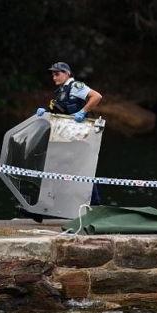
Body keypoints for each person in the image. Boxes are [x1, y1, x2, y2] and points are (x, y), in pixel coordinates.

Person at [36, 61, 103, 205]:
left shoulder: (75, 86)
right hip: (67, 138)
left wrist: (82, 111)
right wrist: (46, 113)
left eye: (57, 74)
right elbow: (62, 114)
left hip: (80, 137)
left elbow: (97, 96)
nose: (54, 78)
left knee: (82, 170)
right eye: (53, 75)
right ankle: (48, 205)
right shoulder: (61, 92)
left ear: (67, 73)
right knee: (62, 169)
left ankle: (94, 205)